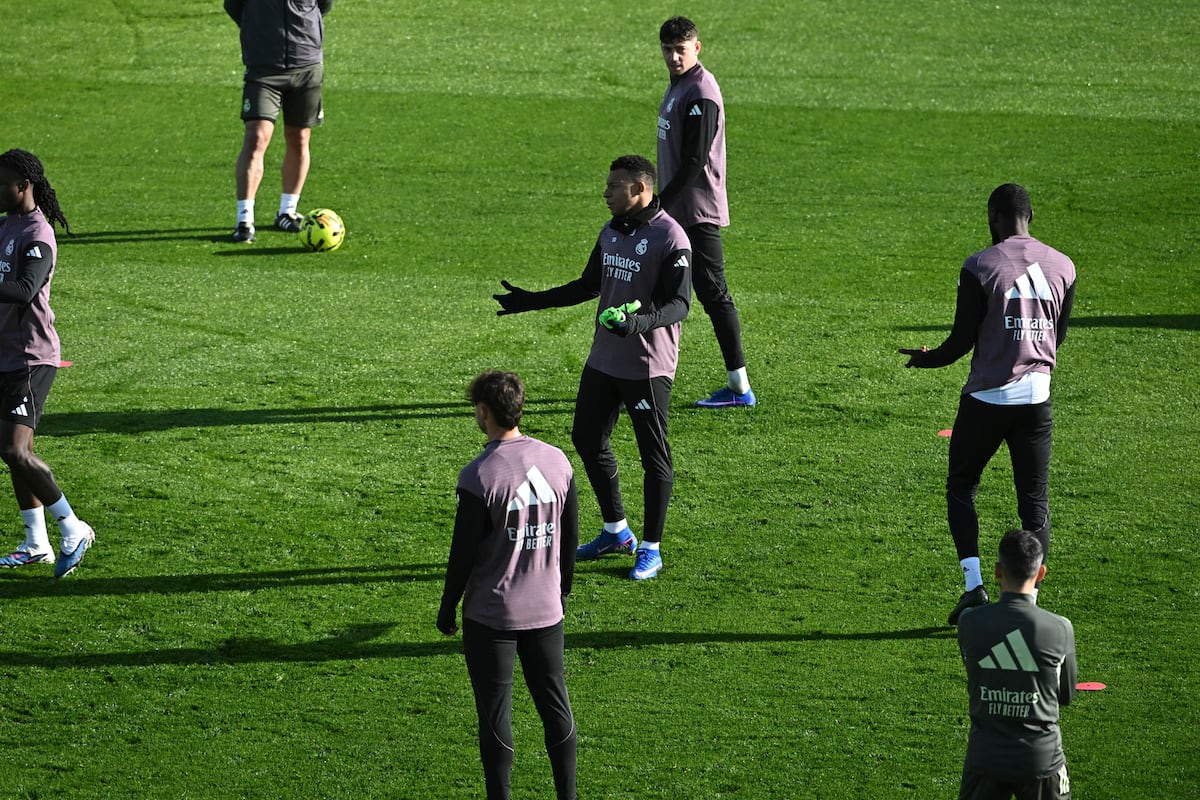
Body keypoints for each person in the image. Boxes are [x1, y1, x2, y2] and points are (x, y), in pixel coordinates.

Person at [493, 155, 691, 581]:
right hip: (604, 358)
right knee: (586, 436)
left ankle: (651, 549)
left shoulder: (671, 237)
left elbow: (680, 304)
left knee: (653, 455)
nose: (605, 194)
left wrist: (638, 324)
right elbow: (588, 285)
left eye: (613, 187)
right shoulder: (611, 231)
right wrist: (531, 301)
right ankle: (616, 531)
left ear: (639, 189)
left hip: (647, 366)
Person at [899, 183, 1076, 625]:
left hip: (986, 400)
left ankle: (974, 586)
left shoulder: (979, 265)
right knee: (1033, 502)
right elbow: (1057, 336)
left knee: (962, 487)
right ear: (1030, 216)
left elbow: (960, 341)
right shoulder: (1063, 266)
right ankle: (1028, 600)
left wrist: (925, 359)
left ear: (994, 216)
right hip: (1037, 398)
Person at [437, 370, 579, 800]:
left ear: (484, 412)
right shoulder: (558, 461)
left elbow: (463, 555)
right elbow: (570, 537)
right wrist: (561, 592)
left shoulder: (479, 476)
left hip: (492, 617)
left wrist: (447, 608)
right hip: (546, 611)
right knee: (556, 708)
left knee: (495, 717)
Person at [0, 149, 95, 578]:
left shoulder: (38, 234)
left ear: (23, 186)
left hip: (30, 357)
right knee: (14, 452)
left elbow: (25, 289)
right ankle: (36, 544)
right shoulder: (6, 225)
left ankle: (73, 527)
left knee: (14, 449)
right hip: (5, 355)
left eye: (1, 184)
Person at [657, 16, 755, 408]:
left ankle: (740, 389)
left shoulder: (701, 90)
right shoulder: (679, 84)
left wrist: (657, 205)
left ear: (697, 47)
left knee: (714, 294)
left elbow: (695, 160)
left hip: (696, 213)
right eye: (667, 49)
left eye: (681, 49)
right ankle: (644, 377)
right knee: (662, 292)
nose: (674, 57)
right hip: (677, 212)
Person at [956, 529, 1076, 799]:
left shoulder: (969, 622)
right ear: (1041, 573)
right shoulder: (1059, 628)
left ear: (998, 571)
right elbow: (1066, 695)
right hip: (1041, 758)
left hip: (985, 756)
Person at [224, 0, 333, 243]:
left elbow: (324, 5)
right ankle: (244, 220)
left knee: (300, 137)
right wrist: (259, 30)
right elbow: (233, 5)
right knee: (256, 138)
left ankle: (287, 211)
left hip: (306, 65)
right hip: (263, 70)